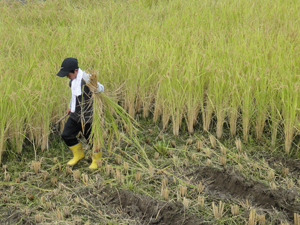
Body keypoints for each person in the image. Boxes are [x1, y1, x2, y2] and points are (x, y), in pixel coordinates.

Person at [56, 57, 104, 169]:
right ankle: (79, 155)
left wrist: (96, 87)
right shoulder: (72, 81)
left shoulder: (86, 79)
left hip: (87, 116)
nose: (67, 76)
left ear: (76, 71)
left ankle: (97, 160)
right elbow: (74, 95)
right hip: (75, 114)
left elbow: (102, 88)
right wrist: (70, 106)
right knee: (66, 134)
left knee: (91, 139)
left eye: (68, 74)